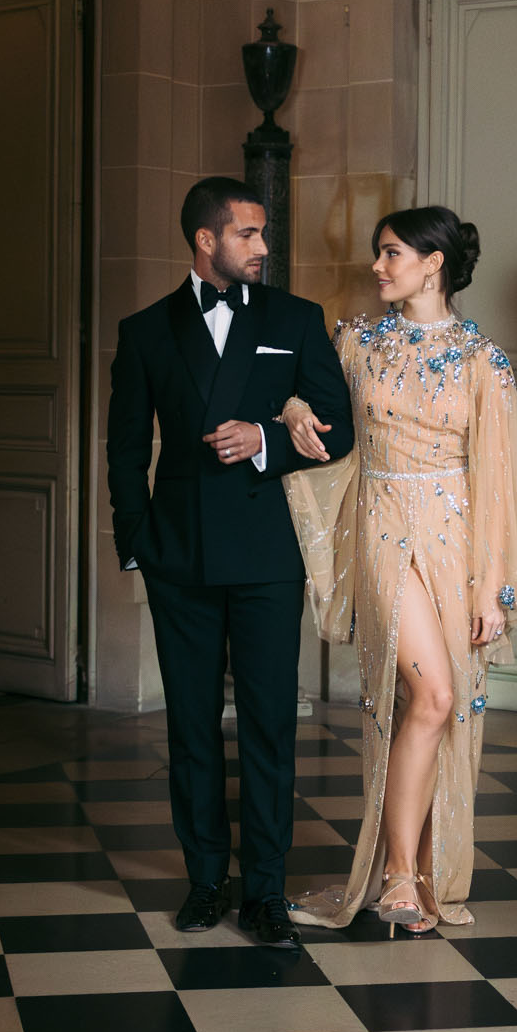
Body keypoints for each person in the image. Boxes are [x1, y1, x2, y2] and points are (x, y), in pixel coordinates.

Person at [280, 206, 517, 932]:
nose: (377, 266)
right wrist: (296, 408)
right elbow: (307, 396)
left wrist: (495, 585)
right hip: (381, 525)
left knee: (438, 705)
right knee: (429, 696)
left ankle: (418, 872)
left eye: (391, 253)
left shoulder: (480, 359)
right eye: (377, 253)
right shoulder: (356, 341)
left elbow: (498, 479)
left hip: (456, 538)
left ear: (433, 264)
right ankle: (397, 875)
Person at [106, 177, 354, 950]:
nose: (263, 247)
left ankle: (266, 891)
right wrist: (135, 538)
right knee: (188, 726)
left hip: (266, 552)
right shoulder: (146, 330)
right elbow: (121, 447)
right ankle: (206, 879)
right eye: (247, 233)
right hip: (177, 553)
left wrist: (266, 441)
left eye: (263, 233)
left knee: (270, 723)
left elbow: (339, 428)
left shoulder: (296, 319)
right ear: (205, 240)